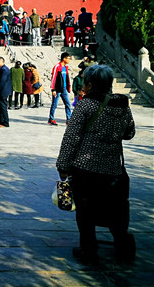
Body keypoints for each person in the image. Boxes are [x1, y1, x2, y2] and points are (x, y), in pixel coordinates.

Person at [56, 65, 136, 263]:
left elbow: (71, 138)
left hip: (86, 168)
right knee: (116, 210)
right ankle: (122, 245)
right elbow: (129, 133)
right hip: (113, 169)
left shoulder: (86, 105)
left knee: (85, 211)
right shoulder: (122, 105)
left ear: (90, 84)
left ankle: (89, 250)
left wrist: (63, 166)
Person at [49, 52, 73, 126]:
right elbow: (53, 78)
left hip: (64, 88)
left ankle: (69, 119)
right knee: (54, 104)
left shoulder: (65, 67)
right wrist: (53, 89)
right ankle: (51, 119)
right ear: (64, 59)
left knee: (68, 103)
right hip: (57, 88)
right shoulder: (57, 67)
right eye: (68, 58)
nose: (69, 60)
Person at [0, 57, 12, 127]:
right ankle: (0, 121)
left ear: (2, 61)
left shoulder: (4, 70)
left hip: (3, 91)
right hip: (2, 91)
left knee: (3, 107)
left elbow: (2, 81)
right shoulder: (2, 69)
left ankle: (5, 122)